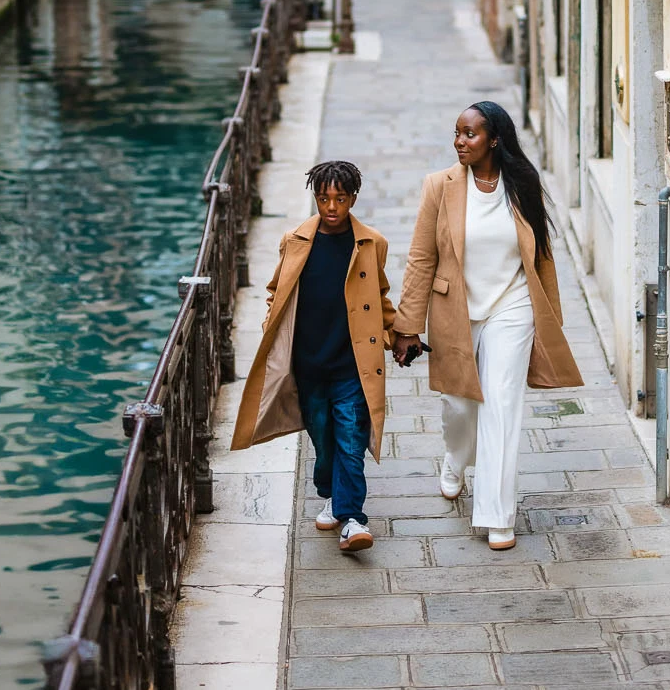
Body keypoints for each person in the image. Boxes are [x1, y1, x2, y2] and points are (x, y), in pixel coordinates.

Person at [392, 102, 583, 549]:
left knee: (499, 403)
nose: (460, 141)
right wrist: (406, 325)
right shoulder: (439, 187)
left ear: (494, 138)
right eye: (457, 133)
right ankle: (456, 460)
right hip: (454, 309)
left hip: (511, 306)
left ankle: (498, 515)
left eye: (470, 134)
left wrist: (549, 320)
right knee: (459, 407)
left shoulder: (522, 184)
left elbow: (542, 259)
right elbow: (421, 258)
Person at [231, 161, 399, 554]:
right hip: (308, 366)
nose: (332, 207)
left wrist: (397, 336)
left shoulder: (371, 243)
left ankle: (353, 518)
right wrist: (272, 325)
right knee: (323, 441)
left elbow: (380, 297)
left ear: (353, 198)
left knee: (351, 440)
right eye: (324, 198)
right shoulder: (295, 240)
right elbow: (277, 290)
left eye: (340, 199)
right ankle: (330, 492)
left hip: (352, 367)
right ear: (315, 198)